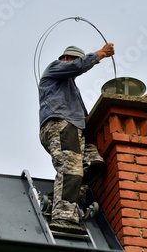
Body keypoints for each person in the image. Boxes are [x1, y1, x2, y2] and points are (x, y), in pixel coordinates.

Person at [38, 43, 115, 234]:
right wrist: (100, 54)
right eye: (74, 60)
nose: (76, 65)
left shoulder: (70, 86)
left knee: (94, 163)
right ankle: (63, 218)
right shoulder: (55, 67)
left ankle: (60, 198)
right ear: (66, 59)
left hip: (75, 129)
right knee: (71, 169)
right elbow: (77, 66)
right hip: (61, 125)